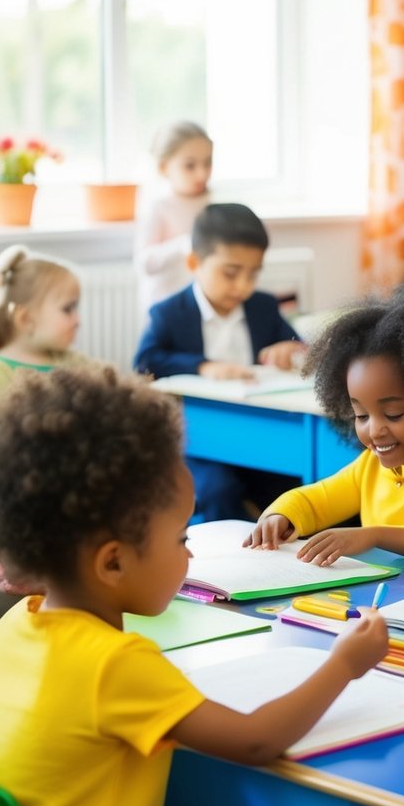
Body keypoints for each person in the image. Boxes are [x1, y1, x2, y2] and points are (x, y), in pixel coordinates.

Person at [0, 366, 389, 806]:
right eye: (183, 538)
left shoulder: (13, 627)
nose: (190, 556)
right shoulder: (117, 665)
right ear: (112, 562)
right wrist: (344, 662)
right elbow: (256, 740)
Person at [245, 281, 404, 563]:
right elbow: (316, 500)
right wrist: (279, 514)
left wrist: (374, 536)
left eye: (394, 414)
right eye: (361, 415)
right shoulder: (370, 467)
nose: (374, 430)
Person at [133, 202, 305, 520]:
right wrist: (203, 366)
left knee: (296, 492)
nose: (243, 286)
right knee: (218, 490)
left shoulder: (263, 307)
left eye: (253, 274)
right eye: (230, 273)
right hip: (197, 443)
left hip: (261, 435)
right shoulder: (170, 312)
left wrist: (290, 350)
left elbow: (301, 348)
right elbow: (145, 361)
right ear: (194, 263)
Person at [135, 121, 214, 314]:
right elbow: (144, 263)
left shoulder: (209, 201)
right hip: (163, 305)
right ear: (163, 167)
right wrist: (182, 245)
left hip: (200, 303)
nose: (202, 173)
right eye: (190, 165)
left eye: (208, 162)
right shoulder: (158, 205)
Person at [0, 244, 87, 394]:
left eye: (75, 308)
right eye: (67, 309)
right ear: (25, 319)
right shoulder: (2, 376)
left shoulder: (78, 364)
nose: (78, 321)